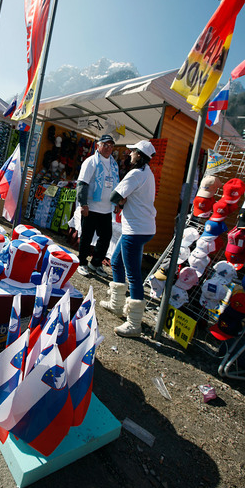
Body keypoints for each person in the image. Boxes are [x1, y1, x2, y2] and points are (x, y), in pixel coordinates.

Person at [100, 140, 157, 337]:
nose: (130, 153)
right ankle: (117, 305)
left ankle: (134, 323)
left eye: (133, 151)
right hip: (140, 227)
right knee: (116, 262)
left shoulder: (135, 174)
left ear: (139, 155)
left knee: (133, 275)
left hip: (136, 229)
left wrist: (121, 201)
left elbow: (115, 196)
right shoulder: (147, 173)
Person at [76, 134, 120, 277]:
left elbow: (116, 185)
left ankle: (95, 263)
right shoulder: (91, 162)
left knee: (106, 236)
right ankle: (81, 262)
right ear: (98, 146)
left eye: (111, 145)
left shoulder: (114, 164)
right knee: (87, 237)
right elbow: (82, 183)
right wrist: (83, 204)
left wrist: (117, 202)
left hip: (106, 209)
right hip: (91, 207)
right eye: (105, 145)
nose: (108, 148)